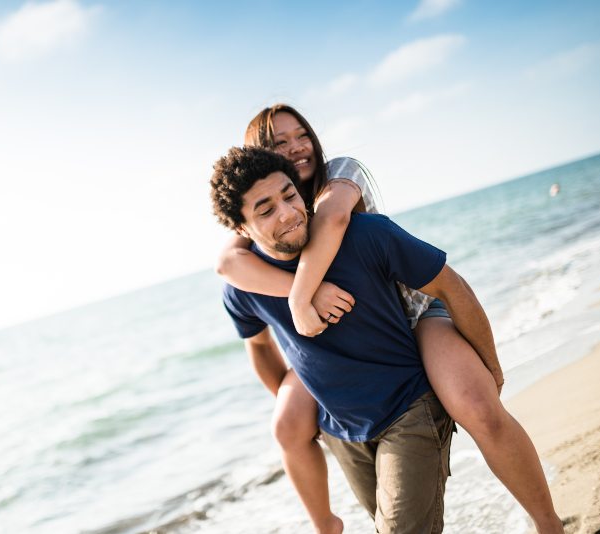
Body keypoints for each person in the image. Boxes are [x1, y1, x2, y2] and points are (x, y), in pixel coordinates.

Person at [215, 105, 563, 533]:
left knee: (479, 406)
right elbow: (229, 264)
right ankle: (325, 522)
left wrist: (305, 295)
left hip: (411, 313)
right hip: (346, 359)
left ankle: (549, 525)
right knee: (288, 424)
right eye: (278, 143)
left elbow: (337, 218)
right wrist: (305, 313)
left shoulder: (338, 179)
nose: (295, 148)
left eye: (300, 134)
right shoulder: (262, 215)